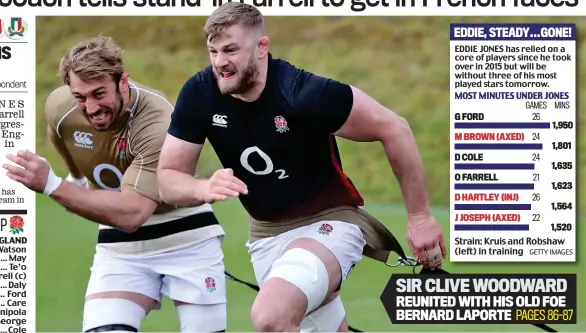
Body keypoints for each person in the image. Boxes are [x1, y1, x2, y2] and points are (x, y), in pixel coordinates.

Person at [156, 3, 446, 332]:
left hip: (330, 221)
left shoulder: (301, 93)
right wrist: (200, 188)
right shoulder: (199, 93)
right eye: (213, 51)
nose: (220, 62)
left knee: (271, 317)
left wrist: (420, 217)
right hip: (266, 236)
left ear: (261, 47)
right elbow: (168, 178)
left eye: (231, 49)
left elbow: (394, 127)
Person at [3, 36, 227, 333]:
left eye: (99, 93)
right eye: (80, 97)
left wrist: (53, 185)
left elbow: (133, 214)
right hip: (121, 246)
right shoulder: (62, 106)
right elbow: (59, 133)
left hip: (186, 236)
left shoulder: (158, 122)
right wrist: (76, 177)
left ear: (123, 82)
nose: (91, 107)